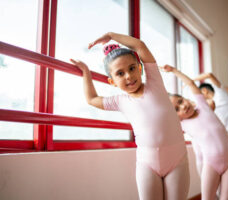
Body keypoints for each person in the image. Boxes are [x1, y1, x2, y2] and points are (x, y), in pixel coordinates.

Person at [70, 32, 189, 200]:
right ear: (112, 81)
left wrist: (111, 35)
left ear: (140, 68)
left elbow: (140, 46)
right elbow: (92, 99)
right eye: (120, 73)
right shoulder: (120, 101)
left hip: (177, 160)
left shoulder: (155, 83)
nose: (128, 76)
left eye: (132, 68)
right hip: (147, 164)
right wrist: (85, 72)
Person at [161, 65, 228, 200]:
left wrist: (174, 71)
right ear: (176, 116)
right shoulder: (182, 125)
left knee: (227, 198)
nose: (183, 106)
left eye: (181, 101)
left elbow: (191, 83)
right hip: (211, 164)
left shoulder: (202, 105)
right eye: (177, 109)